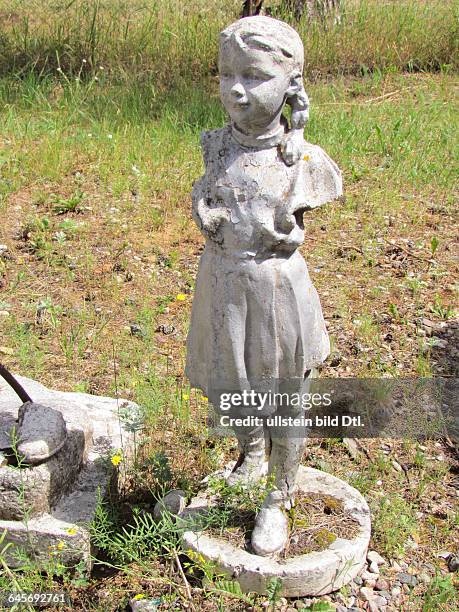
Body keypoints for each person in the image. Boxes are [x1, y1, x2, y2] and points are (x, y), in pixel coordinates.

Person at [185, 16, 342, 556]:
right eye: (226, 73)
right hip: (223, 282)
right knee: (232, 376)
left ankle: (279, 495)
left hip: (275, 291)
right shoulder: (216, 146)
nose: (235, 89)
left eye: (253, 76)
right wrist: (203, 207)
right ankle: (251, 453)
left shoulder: (303, 163)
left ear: (291, 84)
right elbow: (208, 191)